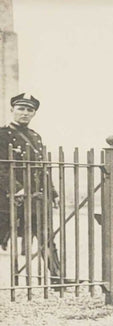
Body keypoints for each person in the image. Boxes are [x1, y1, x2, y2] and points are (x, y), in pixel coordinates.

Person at [0, 93, 61, 278]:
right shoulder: (2, 135)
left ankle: (58, 276)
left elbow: (43, 168)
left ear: (34, 113)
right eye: (21, 109)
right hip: (7, 198)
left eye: (29, 110)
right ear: (12, 110)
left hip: (35, 198)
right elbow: (1, 167)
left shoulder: (35, 136)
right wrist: (16, 188)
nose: (25, 113)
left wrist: (52, 192)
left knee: (46, 237)